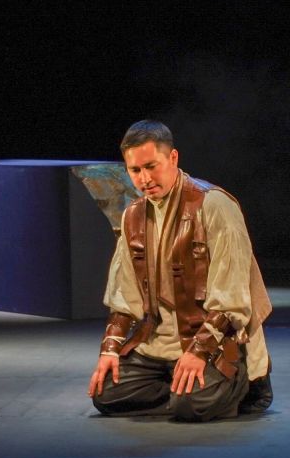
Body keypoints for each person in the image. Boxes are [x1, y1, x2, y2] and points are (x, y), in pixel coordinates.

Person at [88, 120, 274, 421]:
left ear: (173, 158)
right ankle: (190, 392)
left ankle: (243, 387)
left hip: (215, 341)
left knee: (189, 406)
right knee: (106, 394)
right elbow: (124, 294)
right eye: (135, 170)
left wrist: (199, 350)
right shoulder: (133, 215)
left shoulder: (213, 205)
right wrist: (110, 349)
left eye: (152, 166)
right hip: (158, 345)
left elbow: (232, 298)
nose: (145, 179)